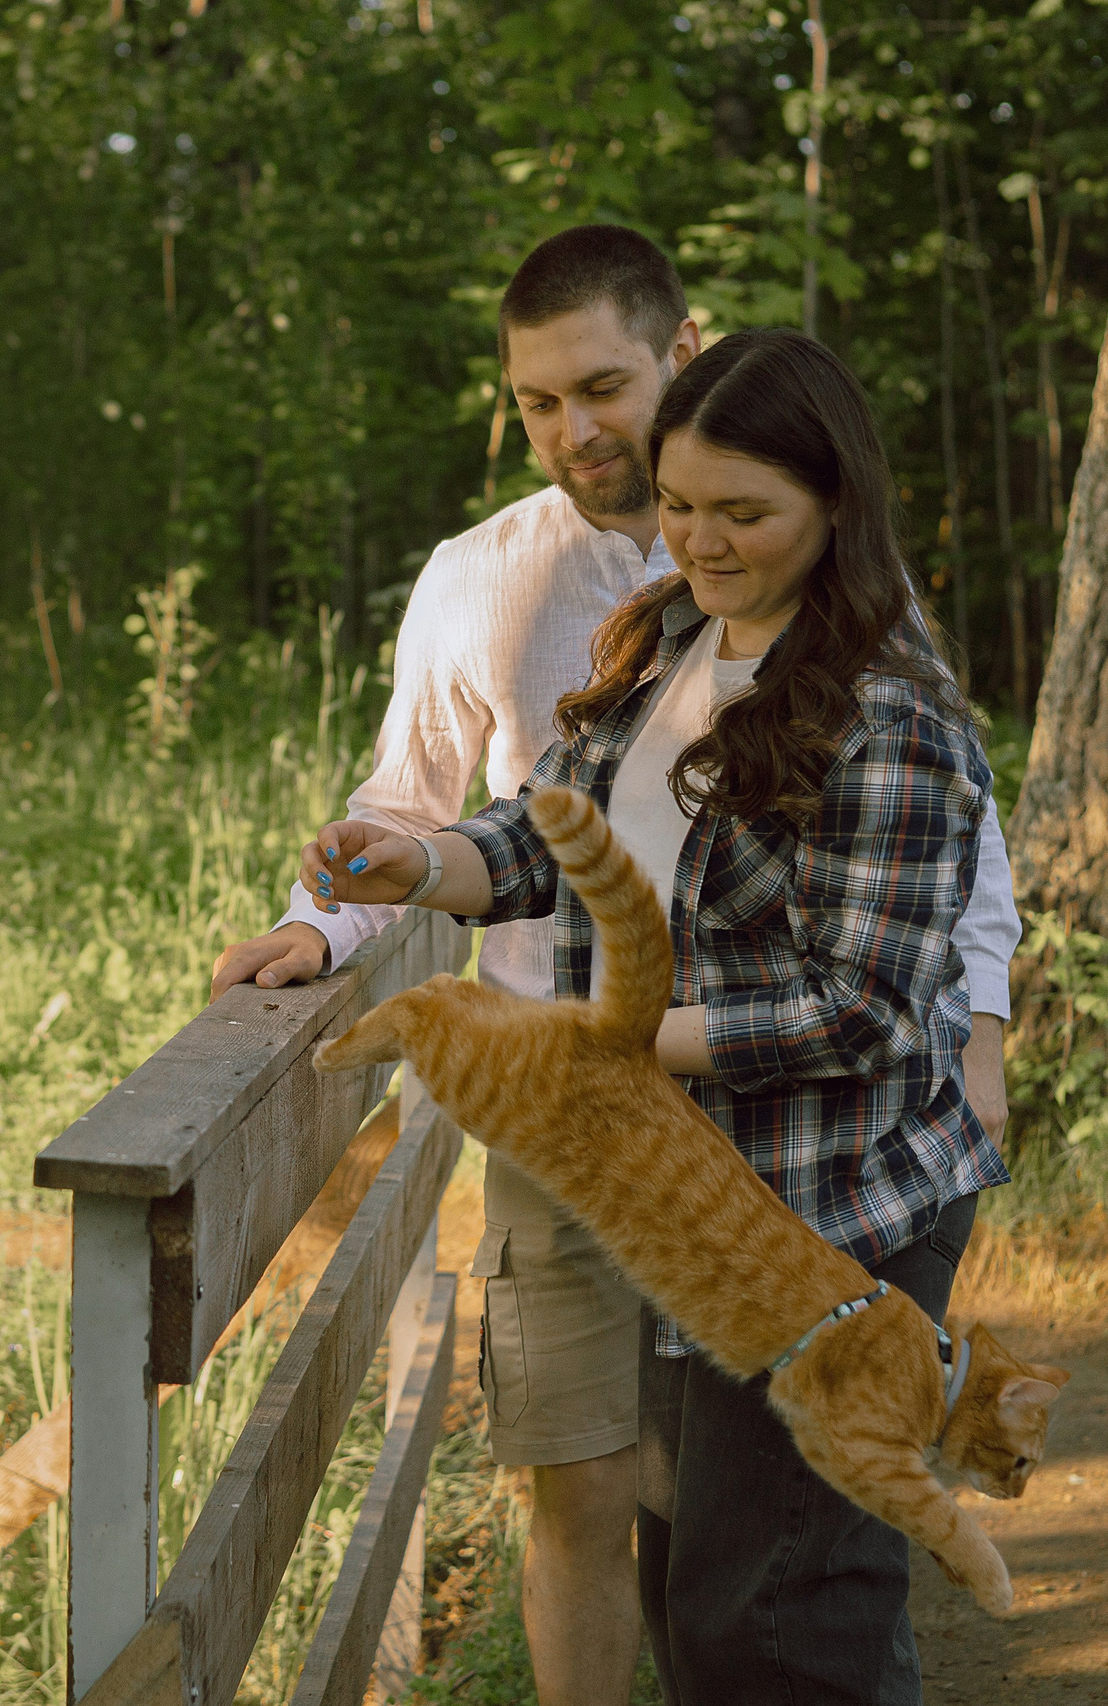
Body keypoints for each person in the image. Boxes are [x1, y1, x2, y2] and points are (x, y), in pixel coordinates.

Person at [210, 228, 1020, 1706]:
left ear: (834, 504)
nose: (693, 539)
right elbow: (549, 825)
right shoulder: (674, 637)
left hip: (826, 1205)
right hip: (681, 1182)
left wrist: (604, 1040)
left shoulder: (889, 712)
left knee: (780, 1618)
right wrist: (403, 873)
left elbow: (869, 1002)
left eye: (738, 513)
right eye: (683, 506)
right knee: (695, 1584)